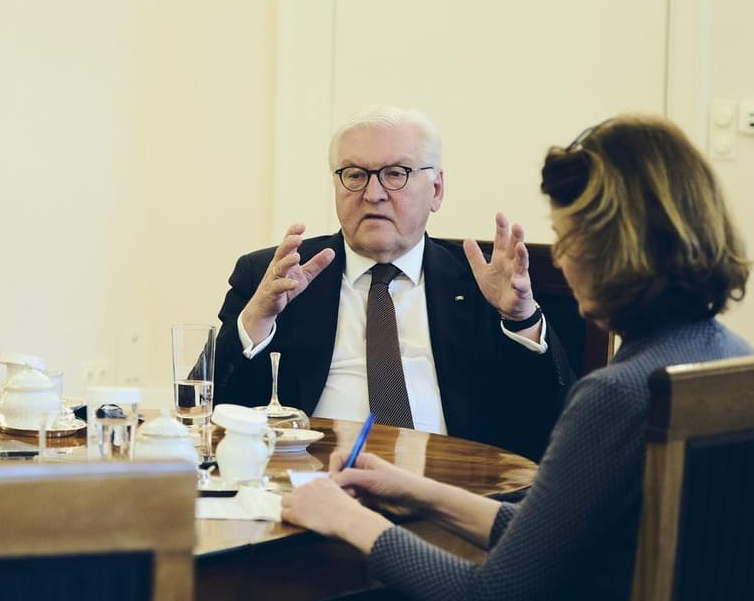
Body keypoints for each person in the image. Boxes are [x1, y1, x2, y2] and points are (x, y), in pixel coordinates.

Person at [275, 115, 752, 601]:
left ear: (611, 247)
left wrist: (347, 520)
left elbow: (492, 597)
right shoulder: (721, 356)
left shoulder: (617, 394)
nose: (562, 257)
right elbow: (557, 539)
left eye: (569, 236)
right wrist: (424, 495)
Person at [215, 104, 573, 462]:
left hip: (451, 490)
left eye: (396, 173)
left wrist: (522, 319)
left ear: (436, 189)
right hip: (310, 485)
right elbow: (211, 411)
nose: (373, 194)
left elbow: (554, 425)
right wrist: (258, 318)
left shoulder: (483, 281)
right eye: (354, 175)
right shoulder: (277, 276)